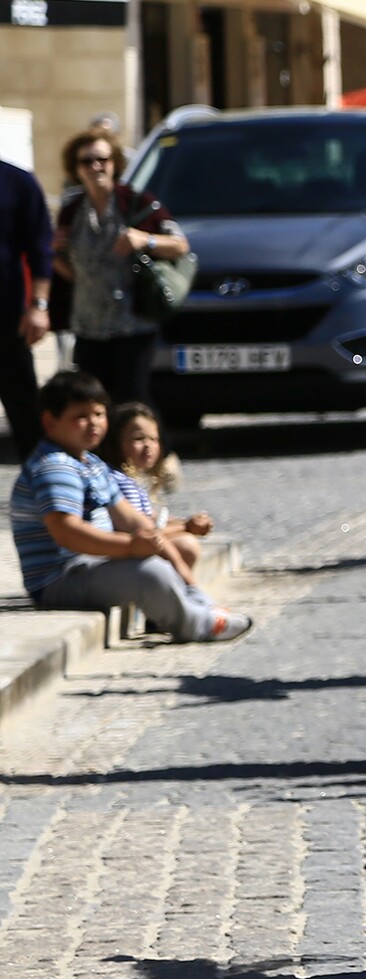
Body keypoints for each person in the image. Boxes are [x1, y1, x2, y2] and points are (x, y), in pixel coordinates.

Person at [9, 371, 248, 642]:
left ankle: (195, 603)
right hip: (60, 579)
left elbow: (135, 522)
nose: (93, 424)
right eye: (81, 417)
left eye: (99, 414)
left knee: (175, 547)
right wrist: (129, 547)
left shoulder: (91, 464)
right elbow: (67, 532)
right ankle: (195, 624)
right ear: (50, 422)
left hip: (91, 564)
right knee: (149, 572)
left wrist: (188, 580)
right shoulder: (54, 467)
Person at [51, 128, 188, 409]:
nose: (95, 167)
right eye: (86, 162)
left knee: (133, 401)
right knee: (93, 403)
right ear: (76, 169)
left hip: (133, 322)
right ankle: (106, 455)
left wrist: (145, 240)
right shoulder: (71, 210)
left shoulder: (138, 203)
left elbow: (180, 246)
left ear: (114, 162)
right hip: (89, 326)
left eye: (102, 159)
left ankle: (155, 453)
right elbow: (72, 270)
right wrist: (53, 253)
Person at [100, 401, 214, 573]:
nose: (148, 446)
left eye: (153, 439)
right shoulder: (118, 482)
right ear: (116, 442)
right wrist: (186, 528)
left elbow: (150, 518)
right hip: (124, 552)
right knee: (186, 545)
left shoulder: (129, 480)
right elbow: (142, 532)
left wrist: (187, 522)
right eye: (139, 439)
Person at [0, 156, 53, 462]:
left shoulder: (17, 183)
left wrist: (39, 305)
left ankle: (42, 493)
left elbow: (40, 249)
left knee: (25, 414)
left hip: (8, 319)